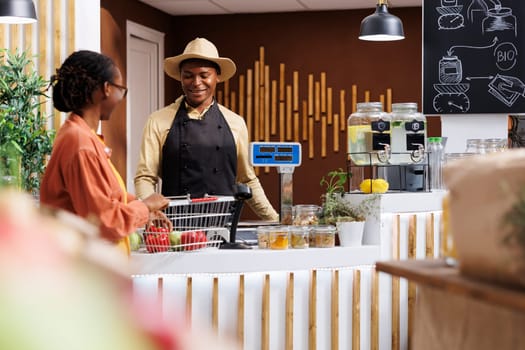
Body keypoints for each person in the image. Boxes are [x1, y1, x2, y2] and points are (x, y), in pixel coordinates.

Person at [40, 50, 172, 255]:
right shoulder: (80, 143)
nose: (122, 98)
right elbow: (104, 222)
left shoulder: (83, 136)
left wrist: (141, 206)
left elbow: (108, 197)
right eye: (122, 90)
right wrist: (145, 206)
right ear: (107, 88)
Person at [134, 37, 279, 221]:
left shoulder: (235, 123)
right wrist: (152, 213)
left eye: (204, 75)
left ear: (216, 76)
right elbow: (145, 177)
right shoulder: (158, 121)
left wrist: (275, 220)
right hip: (175, 229)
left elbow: (247, 179)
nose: (196, 82)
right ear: (181, 77)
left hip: (223, 227)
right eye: (188, 75)